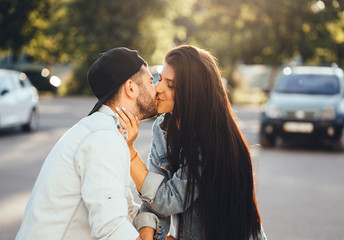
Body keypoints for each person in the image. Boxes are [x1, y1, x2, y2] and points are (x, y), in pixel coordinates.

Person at [115, 45, 267, 240]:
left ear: (192, 93)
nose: (158, 88)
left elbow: (166, 201)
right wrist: (147, 234)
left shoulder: (209, 141)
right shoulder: (161, 129)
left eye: (171, 85)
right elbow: (152, 195)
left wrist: (130, 151)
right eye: (160, 79)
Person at [16, 47, 158, 240]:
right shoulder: (103, 138)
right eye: (151, 81)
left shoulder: (104, 131)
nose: (156, 88)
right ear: (131, 88)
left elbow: (122, 206)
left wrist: (148, 223)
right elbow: (111, 230)